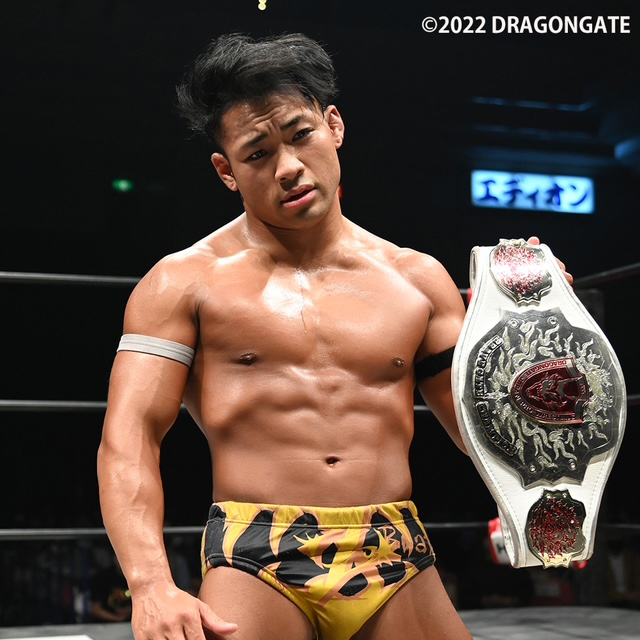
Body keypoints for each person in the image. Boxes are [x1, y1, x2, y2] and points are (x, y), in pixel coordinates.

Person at [97, 33, 572, 640]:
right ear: (226, 171)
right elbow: (129, 436)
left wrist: (530, 329)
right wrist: (150, 585)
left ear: (334, 126)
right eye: (257, 153)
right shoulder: (181, 282)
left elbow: (482, 432)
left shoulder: (417, 280)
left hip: (394, 547)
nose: (288, 167)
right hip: (257, 551)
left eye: (301, 135)